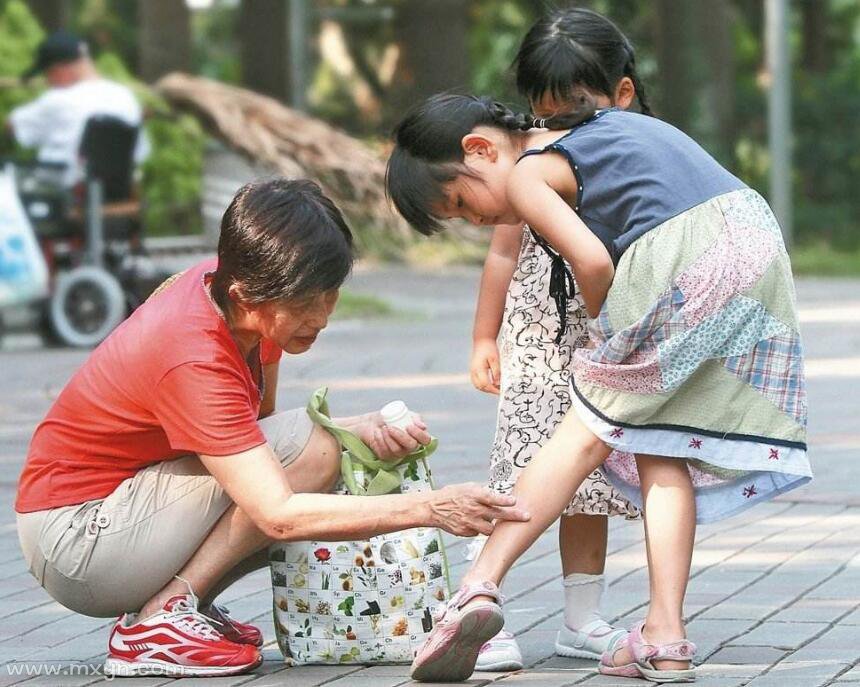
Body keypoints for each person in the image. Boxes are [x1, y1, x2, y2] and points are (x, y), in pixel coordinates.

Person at [14, 178, 530, 678]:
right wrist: (431, 510)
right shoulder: (192, 352)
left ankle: (173, 609)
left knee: (313, 447)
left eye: (329, 295)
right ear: (245, 294)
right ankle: (160, 621)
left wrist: (359, 426)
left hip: (118, 515)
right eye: (306, 304)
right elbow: (276, 512)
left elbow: (255, 433)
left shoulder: (241, 303)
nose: (322, 317)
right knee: (313, 451)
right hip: (77, 541)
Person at [385, 84, 811, 680]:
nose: (475, 220)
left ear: (480, 149)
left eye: (461, 202)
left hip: (683, 256)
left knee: (582, 429)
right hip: (754, 238)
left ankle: (478, 586)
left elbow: (592, 262)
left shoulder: (528, 175)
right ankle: (665, 636)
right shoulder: (598, 128)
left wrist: (601, 332)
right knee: (661, 440)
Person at [471, 9, 646, 671]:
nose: (555, 128)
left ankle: (582, 617)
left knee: (591, 479)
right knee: (519, 468)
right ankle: (479, 604)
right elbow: (500, 253)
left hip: (602, 331)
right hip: (539, 339)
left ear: (622, 94)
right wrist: (484, 335)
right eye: (542, 113)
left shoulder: (633, 151)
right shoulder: (534, 157)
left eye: (571, 113)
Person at [6, 31, 149, 188]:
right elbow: (140, 152)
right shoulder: (126, 97)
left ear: (59, 70)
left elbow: (12, 125)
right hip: (119, 194)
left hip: (62, 193)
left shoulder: (57, 99)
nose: (48, 82)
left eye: (48, 74)